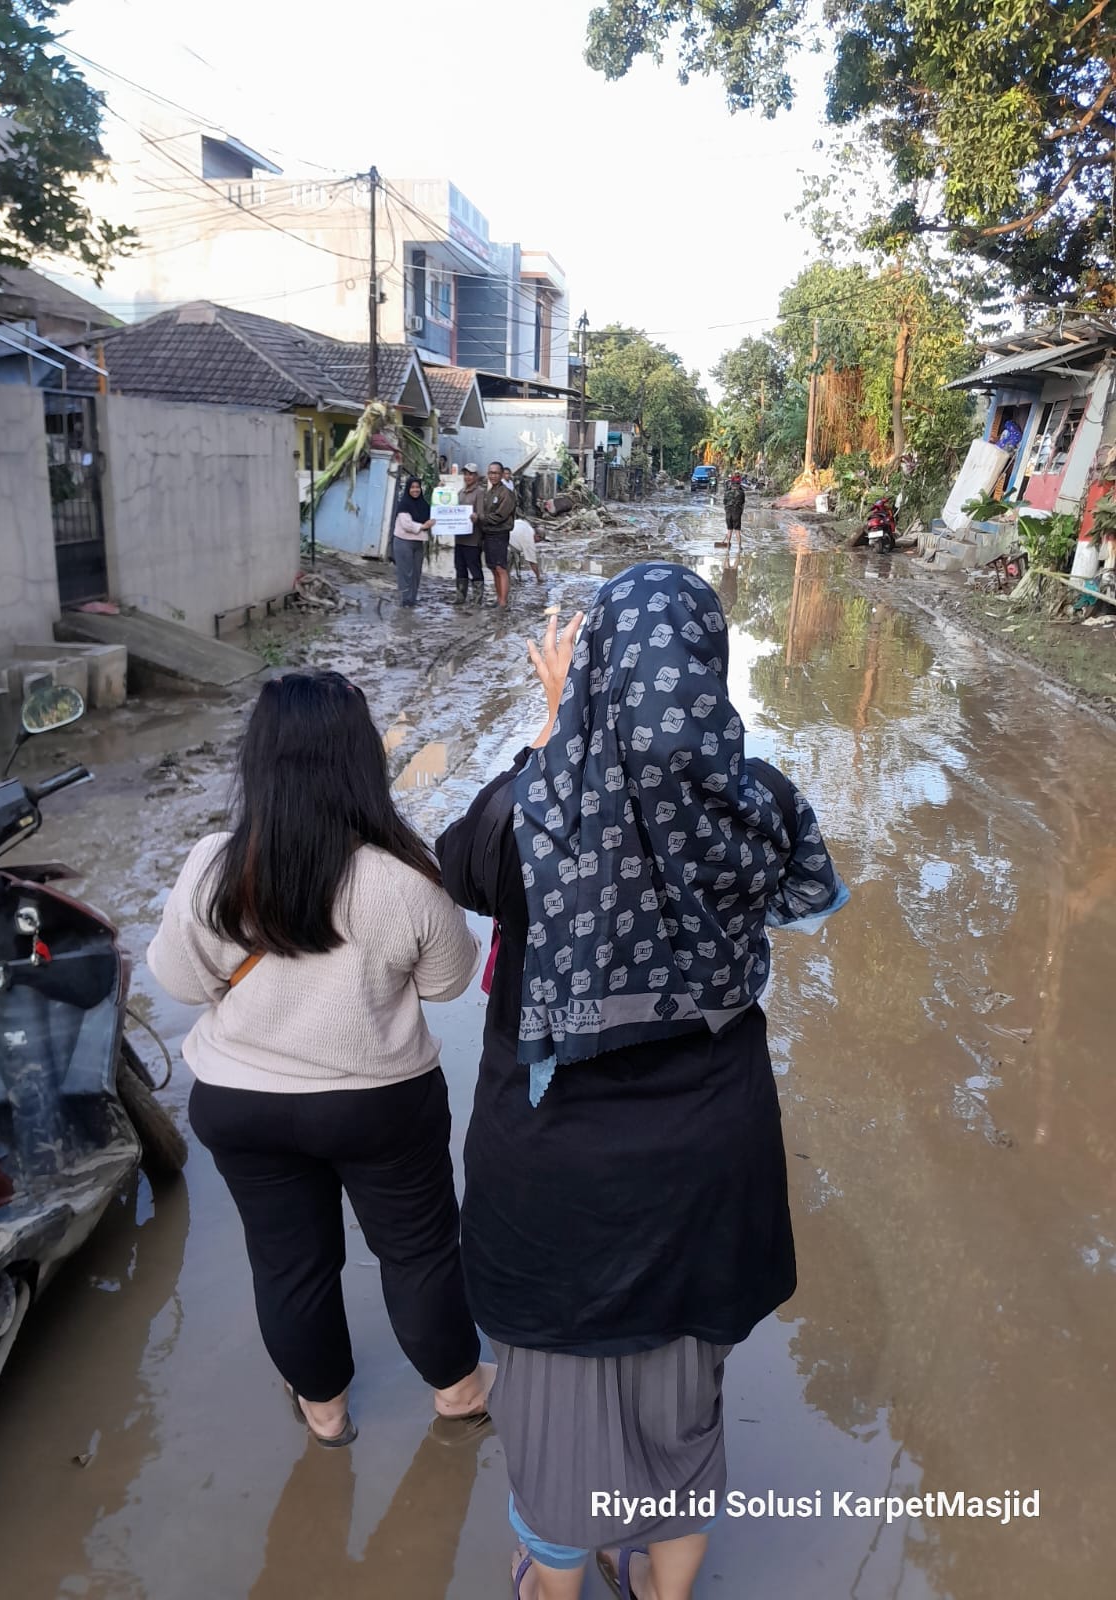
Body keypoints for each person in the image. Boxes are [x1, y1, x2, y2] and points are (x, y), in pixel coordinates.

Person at [436, 564, 848, 1600]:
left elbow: (459, 865)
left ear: (599, 671)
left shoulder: (527, 812)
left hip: (553, 1178)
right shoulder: (763, 805)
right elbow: (805, 901)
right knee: (683, 1398)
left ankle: (554, 1581)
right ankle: (665, 1588)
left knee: (553, 1408)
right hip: (712, 1159)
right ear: (705, 669)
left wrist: (556, 725)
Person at [147, 672, 492, 1449]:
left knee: (289, 1266)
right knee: (419, 1254)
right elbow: (447, 983)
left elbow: (177, 980)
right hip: (379, 1103)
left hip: (241, 1105)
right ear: (362, 760)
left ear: (257, 762)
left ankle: (326, 1414)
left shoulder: (211, 865)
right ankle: (459, 1391)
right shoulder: (405, 877)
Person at [479, 461, 517, 609]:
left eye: (495, 473)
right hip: (488, 534)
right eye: (490, 473)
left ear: (501, 475)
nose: (492, 476)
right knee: (493, 567)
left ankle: (503, 602)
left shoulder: (506, 493)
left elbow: (500, 515)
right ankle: (499, 598)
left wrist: (481, 519)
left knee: (501, 568)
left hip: (500, 534)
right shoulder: (490, 492)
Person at [392, 476, 433, 608]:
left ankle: (412, 599)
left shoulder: (424, 505)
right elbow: (406, 525)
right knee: (405, 572)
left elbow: (433, 517)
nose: (415, 490)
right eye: (412, 487)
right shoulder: (404, 504)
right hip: (403, 542)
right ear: (408, 489)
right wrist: (423, 526)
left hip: (418, 543)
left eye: (417, 487)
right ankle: (405, 600)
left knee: (416, 573)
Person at [454, 462, 487, 607]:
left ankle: (477, 599)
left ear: (476, 476)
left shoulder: (479, 492)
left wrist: (476, 517)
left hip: (473, 539)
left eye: (470, 474)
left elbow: (482, 515)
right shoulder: (460, 493)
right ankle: (460, 596)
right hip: (459, 538)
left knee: (474, 567)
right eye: (465, 474)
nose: (467, 477)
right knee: (459, 567)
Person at [509, 517, 545, 582]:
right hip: (507, 544)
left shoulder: (526, 525)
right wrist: (538, 577)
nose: (537, 542)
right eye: (539, 540)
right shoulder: (529, 540)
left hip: (504, 536)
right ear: (537, 536)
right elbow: (532, 562)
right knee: (504, 570)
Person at [723, 472, 745, 544]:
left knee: (729, 530)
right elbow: (742, 503)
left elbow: (724, 503)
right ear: (738, 484)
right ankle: (739, 547)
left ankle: (727, 546)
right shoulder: (741, 493)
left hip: (728, 514)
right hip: (737, 514)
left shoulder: (726, 493)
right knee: (737, 530)